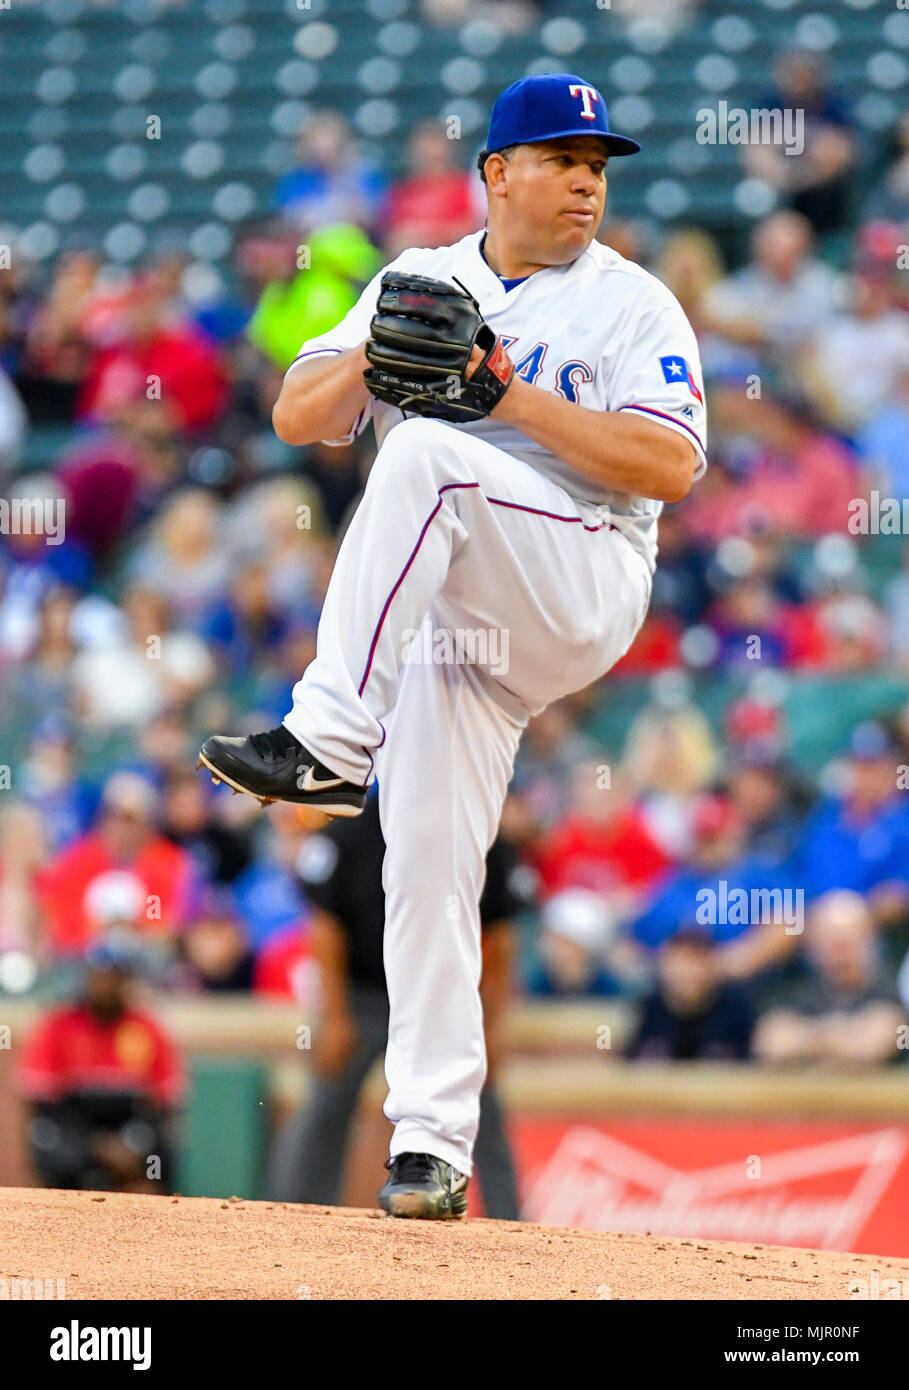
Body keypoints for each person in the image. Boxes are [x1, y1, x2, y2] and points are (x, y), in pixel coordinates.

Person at [199, 73, 706, 1218]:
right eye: (564, 158)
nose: (587, 181)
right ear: (496, 173)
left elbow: (672, 467)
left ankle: (327, 739)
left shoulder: (631, 304)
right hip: (455, 621)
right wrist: (369, 363)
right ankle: (430, 1145)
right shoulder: (419, 278)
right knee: (424, 860)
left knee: (428, 454)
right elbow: (296, 415)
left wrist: (508, 398)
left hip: (582, 573)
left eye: (598, 164)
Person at [267, 791, 527, 1218]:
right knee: (325, 1105)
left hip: (443, 998)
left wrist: (491, 1022)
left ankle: (510, 1222)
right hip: (364, 995)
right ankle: (295, 1216)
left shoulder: (479, 825)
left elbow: (499, 932)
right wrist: (334, 1017)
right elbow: (326, 928)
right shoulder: (352, 828)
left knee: (482, 1109)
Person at [17, 939, 184, 1191]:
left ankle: (156, 1219)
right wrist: (97, 1147)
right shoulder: (59, 1025)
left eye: (114, 977)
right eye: (99, 976)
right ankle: (61, 1215)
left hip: (130, 1125)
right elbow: (40, 1098)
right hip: (73, 1127)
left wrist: (130, 1144)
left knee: (160, 1151)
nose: (106, 985)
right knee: (50, 1142)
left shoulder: (146, 1028)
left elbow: (164, 1100)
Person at [753, 891, 905, 1066]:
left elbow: (875, 1044)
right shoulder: (793, 989)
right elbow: (770, 1043)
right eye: (833, 942)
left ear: (871, 941)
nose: (841, 952)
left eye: (850, 940)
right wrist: (837, 1033)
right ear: (812, 945)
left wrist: (804, 1038)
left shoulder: (890, 989)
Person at [625, 927, 755, 1061]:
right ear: (664, 966)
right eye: (681, 963)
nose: (690, 973)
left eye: (697, 962)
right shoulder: (649, 1008)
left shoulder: (735, 1009)